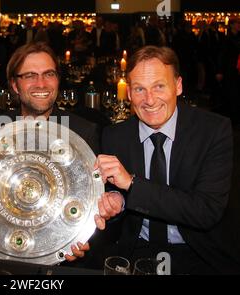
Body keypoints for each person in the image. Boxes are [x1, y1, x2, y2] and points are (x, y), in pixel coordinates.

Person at [0, 42, 123, 262]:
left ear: (58, 79)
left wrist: (84, 237)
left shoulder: (84, 133)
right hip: (1, 256)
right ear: (14, 85)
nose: (41, 83)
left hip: (62, 262)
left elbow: (103, 207)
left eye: (48, 74)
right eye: (30, 75)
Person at [95, 45, 239, 274]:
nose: (149, 100)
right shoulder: (114, 135)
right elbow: (117, 205)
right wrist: (116, 203)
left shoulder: (213, 131)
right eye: (139, 89)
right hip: (135, 250)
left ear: (178, 86)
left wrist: (132, 185)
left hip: (198, 252)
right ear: (129, 94)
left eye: (159, 86)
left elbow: (205, 211)